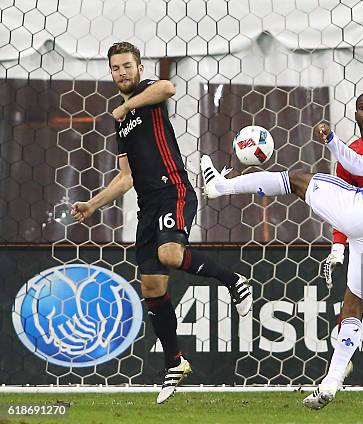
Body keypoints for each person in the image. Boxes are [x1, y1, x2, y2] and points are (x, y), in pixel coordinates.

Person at [199, 88, 363, 410]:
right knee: (353, 309)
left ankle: (220, 187)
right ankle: (331, 381)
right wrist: (333, 141)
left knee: (297, 180)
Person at [71, 42, 252, 404]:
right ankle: (176, 361)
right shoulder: (120, 124)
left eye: (127, 66)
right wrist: (92, 205)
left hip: (174, 191)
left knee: (171, 254)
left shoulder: (146, 95)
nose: (121, 72)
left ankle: (235, 282)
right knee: (152, 286)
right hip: (148, 206)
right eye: (116, 68)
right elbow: (125, 178)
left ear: (138, 68)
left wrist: (127, 104)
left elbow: (168, 87)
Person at [322, 91, 363, 287]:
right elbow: (343, 207)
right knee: (354, 304)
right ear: (355, 114)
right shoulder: (348, 157)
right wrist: (337, 248)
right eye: (362, 108)